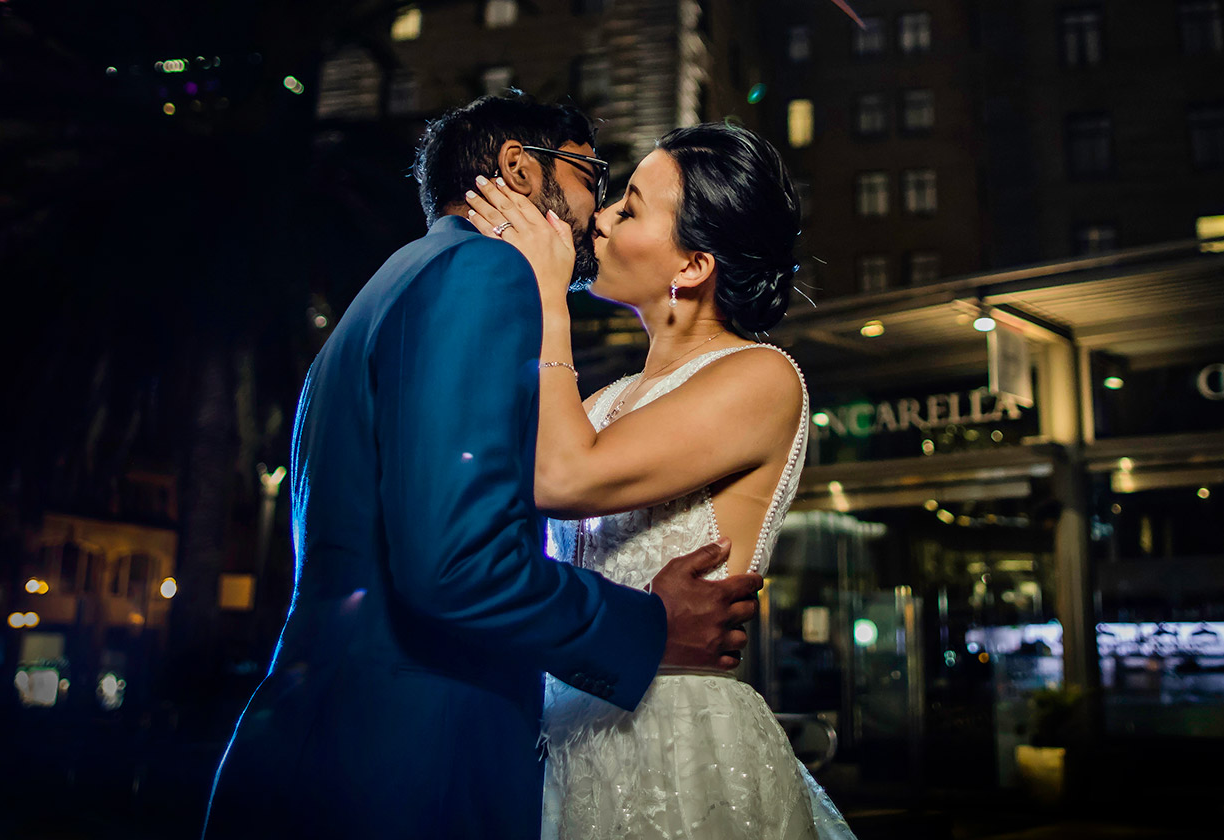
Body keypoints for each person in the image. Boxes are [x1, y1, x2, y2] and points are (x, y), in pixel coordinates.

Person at [202, 95, 761, 839]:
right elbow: (456, 562)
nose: (597, 211)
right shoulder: (484, 275)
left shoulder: (397, 281)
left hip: (338, 744)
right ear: (520, 169)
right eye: (592, 174)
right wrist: (649, 627)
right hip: (410, 770)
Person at [464, 122, 855, 840]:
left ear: (694, 264)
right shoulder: (599, 405)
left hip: (679, 747)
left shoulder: (761, 376)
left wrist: (552, 296)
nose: (602, 220)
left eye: (632, 207)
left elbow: (560, 475)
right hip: (568, 741)